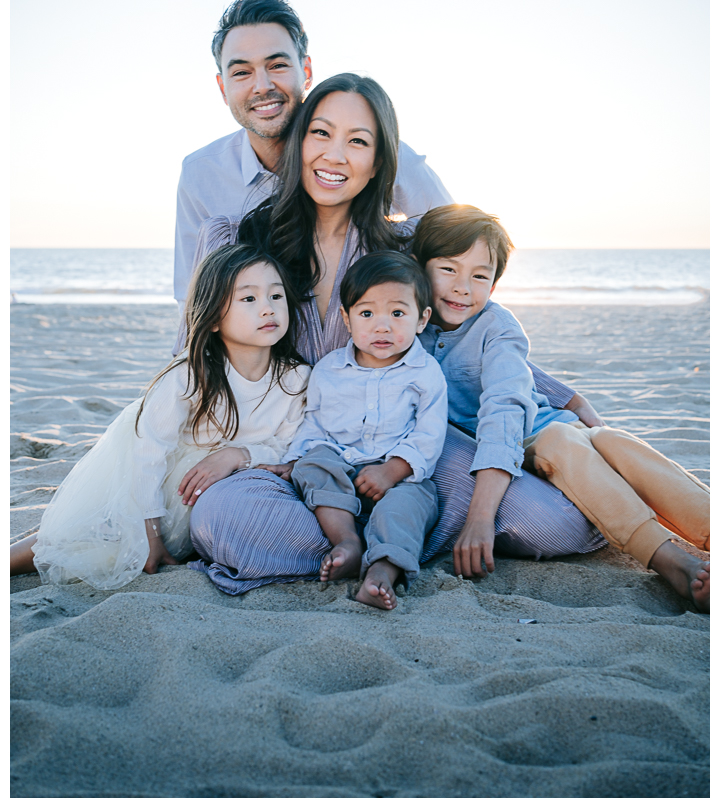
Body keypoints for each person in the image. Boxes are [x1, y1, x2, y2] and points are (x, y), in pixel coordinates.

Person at [188, 76, 605, 596]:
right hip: (308, 447)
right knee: (221, 519)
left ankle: (388, 531)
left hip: (406, 443)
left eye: (358, 141)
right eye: (320, 133)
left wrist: (562, 395)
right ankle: (373, 539)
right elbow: (202, 344)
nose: (335, 155)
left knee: (555, 525)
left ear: (380, 160)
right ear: (298, 143)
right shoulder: (245, 239)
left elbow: (467, 326)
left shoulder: (403, 246)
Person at [413, 203, 710, 613]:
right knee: (565, 440)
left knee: (612, 440)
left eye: (480, 276)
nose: (464, 287)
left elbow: (506, 406)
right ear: (418, 266)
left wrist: (481, 516)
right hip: (547, 439)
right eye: (448, 269)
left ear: (495, 286)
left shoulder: (498, 325)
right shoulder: (405, 326)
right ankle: (666, 557)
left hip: (540, 430)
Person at [10, 245, 310, 589]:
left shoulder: (296, 379)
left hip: (226, 492)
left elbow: (289, 449)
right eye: (248, 299)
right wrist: (151, 532)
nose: (268, 308)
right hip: (166, 494)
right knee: (85, 540)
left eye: (276, 295)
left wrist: (238, 455)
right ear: (212, 318)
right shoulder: (189, 375)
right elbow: (148, 452)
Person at [173, 0, 453, 313]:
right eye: (241, 72)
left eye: (277, 65)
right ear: (223, 88)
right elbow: (192, 301)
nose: (262, 85)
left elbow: (459, 254)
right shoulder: (201, 175)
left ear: (306, 72)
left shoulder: (380, 154)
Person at [260, 251, 447, 611]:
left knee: (409, 506)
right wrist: (295, 459)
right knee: (315, 466)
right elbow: (314, 422)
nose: (382, 326)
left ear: (422, 319)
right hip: (341, 460)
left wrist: (394, 470)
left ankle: (382, 571)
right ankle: (346, 541)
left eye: (397, 313)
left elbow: (430, 432)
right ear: (346, 318)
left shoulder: (425, 373)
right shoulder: (330, 369)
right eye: (366, 314)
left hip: (399, 474)